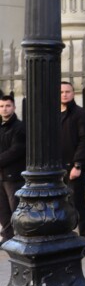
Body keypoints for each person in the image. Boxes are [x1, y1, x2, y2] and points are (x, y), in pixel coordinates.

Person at [60, 81, 85, 254]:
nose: (64, 94)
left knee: (78, 205)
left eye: (68, 91)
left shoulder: (80, 114)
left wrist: (78, 165)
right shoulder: (53, 115)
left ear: (73, 93)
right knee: (62, 207)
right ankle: (67, 241)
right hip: (58, 169)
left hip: (74, 169)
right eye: (61, 92)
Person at [0, 95, 25, 245]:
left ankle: (20, 237)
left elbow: (16, 150)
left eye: (7, 106)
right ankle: (7, 236)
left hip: (13, 175)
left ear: (14, 107)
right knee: (2, 209)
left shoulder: (20, 127)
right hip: (1, 175)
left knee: (15, 207)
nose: (4, 109)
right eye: (2, 106)